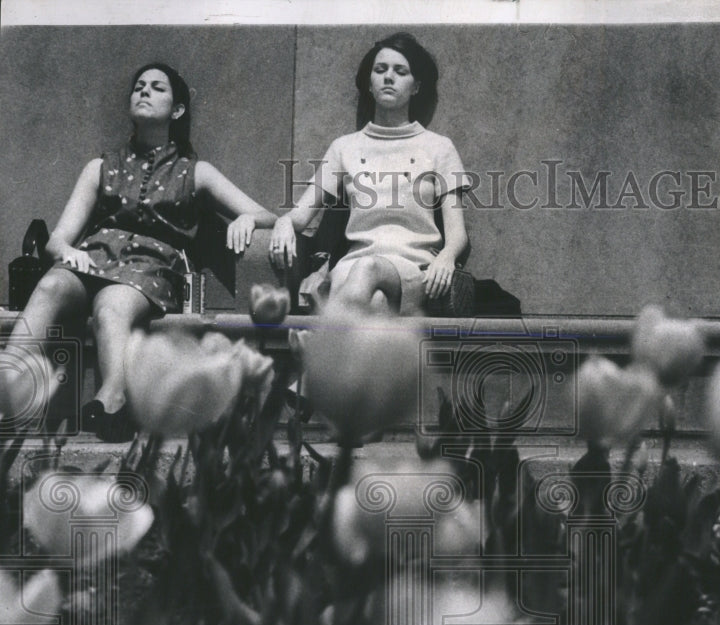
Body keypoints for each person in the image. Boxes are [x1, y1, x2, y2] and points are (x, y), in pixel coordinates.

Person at [1, 63, 276, 441]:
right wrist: (68, 251)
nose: (144, 91)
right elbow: (57, 239)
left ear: (177, 110)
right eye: (139, 87)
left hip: (151, 270)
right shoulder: (100, 167)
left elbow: (266, 215)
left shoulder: (195, 172)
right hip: (91, 260)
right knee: (51, 286)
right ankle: (8, 388)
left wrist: (248, 221)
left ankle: (113, 399)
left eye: (157, 88)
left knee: (112, 305)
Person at [269, 32, 470, 316]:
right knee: (373, 303)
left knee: (368, 269)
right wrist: (283, 223)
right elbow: (300, 216)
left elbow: (457, 234)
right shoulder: (344, 148)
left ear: (416, 87)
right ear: (370, 84)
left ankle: (316, 351)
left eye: (401, 72)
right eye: (380, 70)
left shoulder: (439, 148)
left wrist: (447, 258)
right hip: (351, 268)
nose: (389, 77)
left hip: (413, 268)